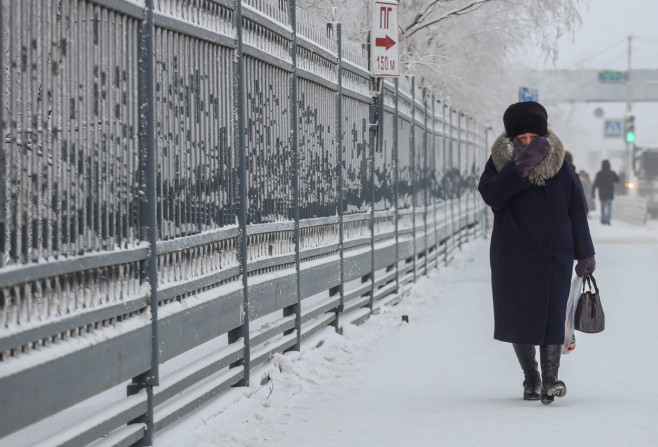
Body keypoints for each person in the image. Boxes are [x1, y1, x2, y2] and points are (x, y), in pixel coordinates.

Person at [478, 101, 596, 405]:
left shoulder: (560, 165)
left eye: (534, 138)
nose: (528, 144)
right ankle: (531, 377)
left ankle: (551, 380)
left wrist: (585, 253)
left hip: (553, 252)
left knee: (552, 315)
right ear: (512, 141)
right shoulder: (500, 162)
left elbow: (576, 210)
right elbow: (491, 195)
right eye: (522, 139)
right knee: (520, 315)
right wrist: (519, 168)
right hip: (513, 252)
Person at [592, 160, 619, 225]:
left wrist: (593, 193)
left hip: (602, 193)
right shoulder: (612, 173)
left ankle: (603, 219)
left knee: (603, 206)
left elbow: (595, 184)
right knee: (609, 207)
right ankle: (608, 219)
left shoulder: (599, 173)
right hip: (610, 193)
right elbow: (617, 180)